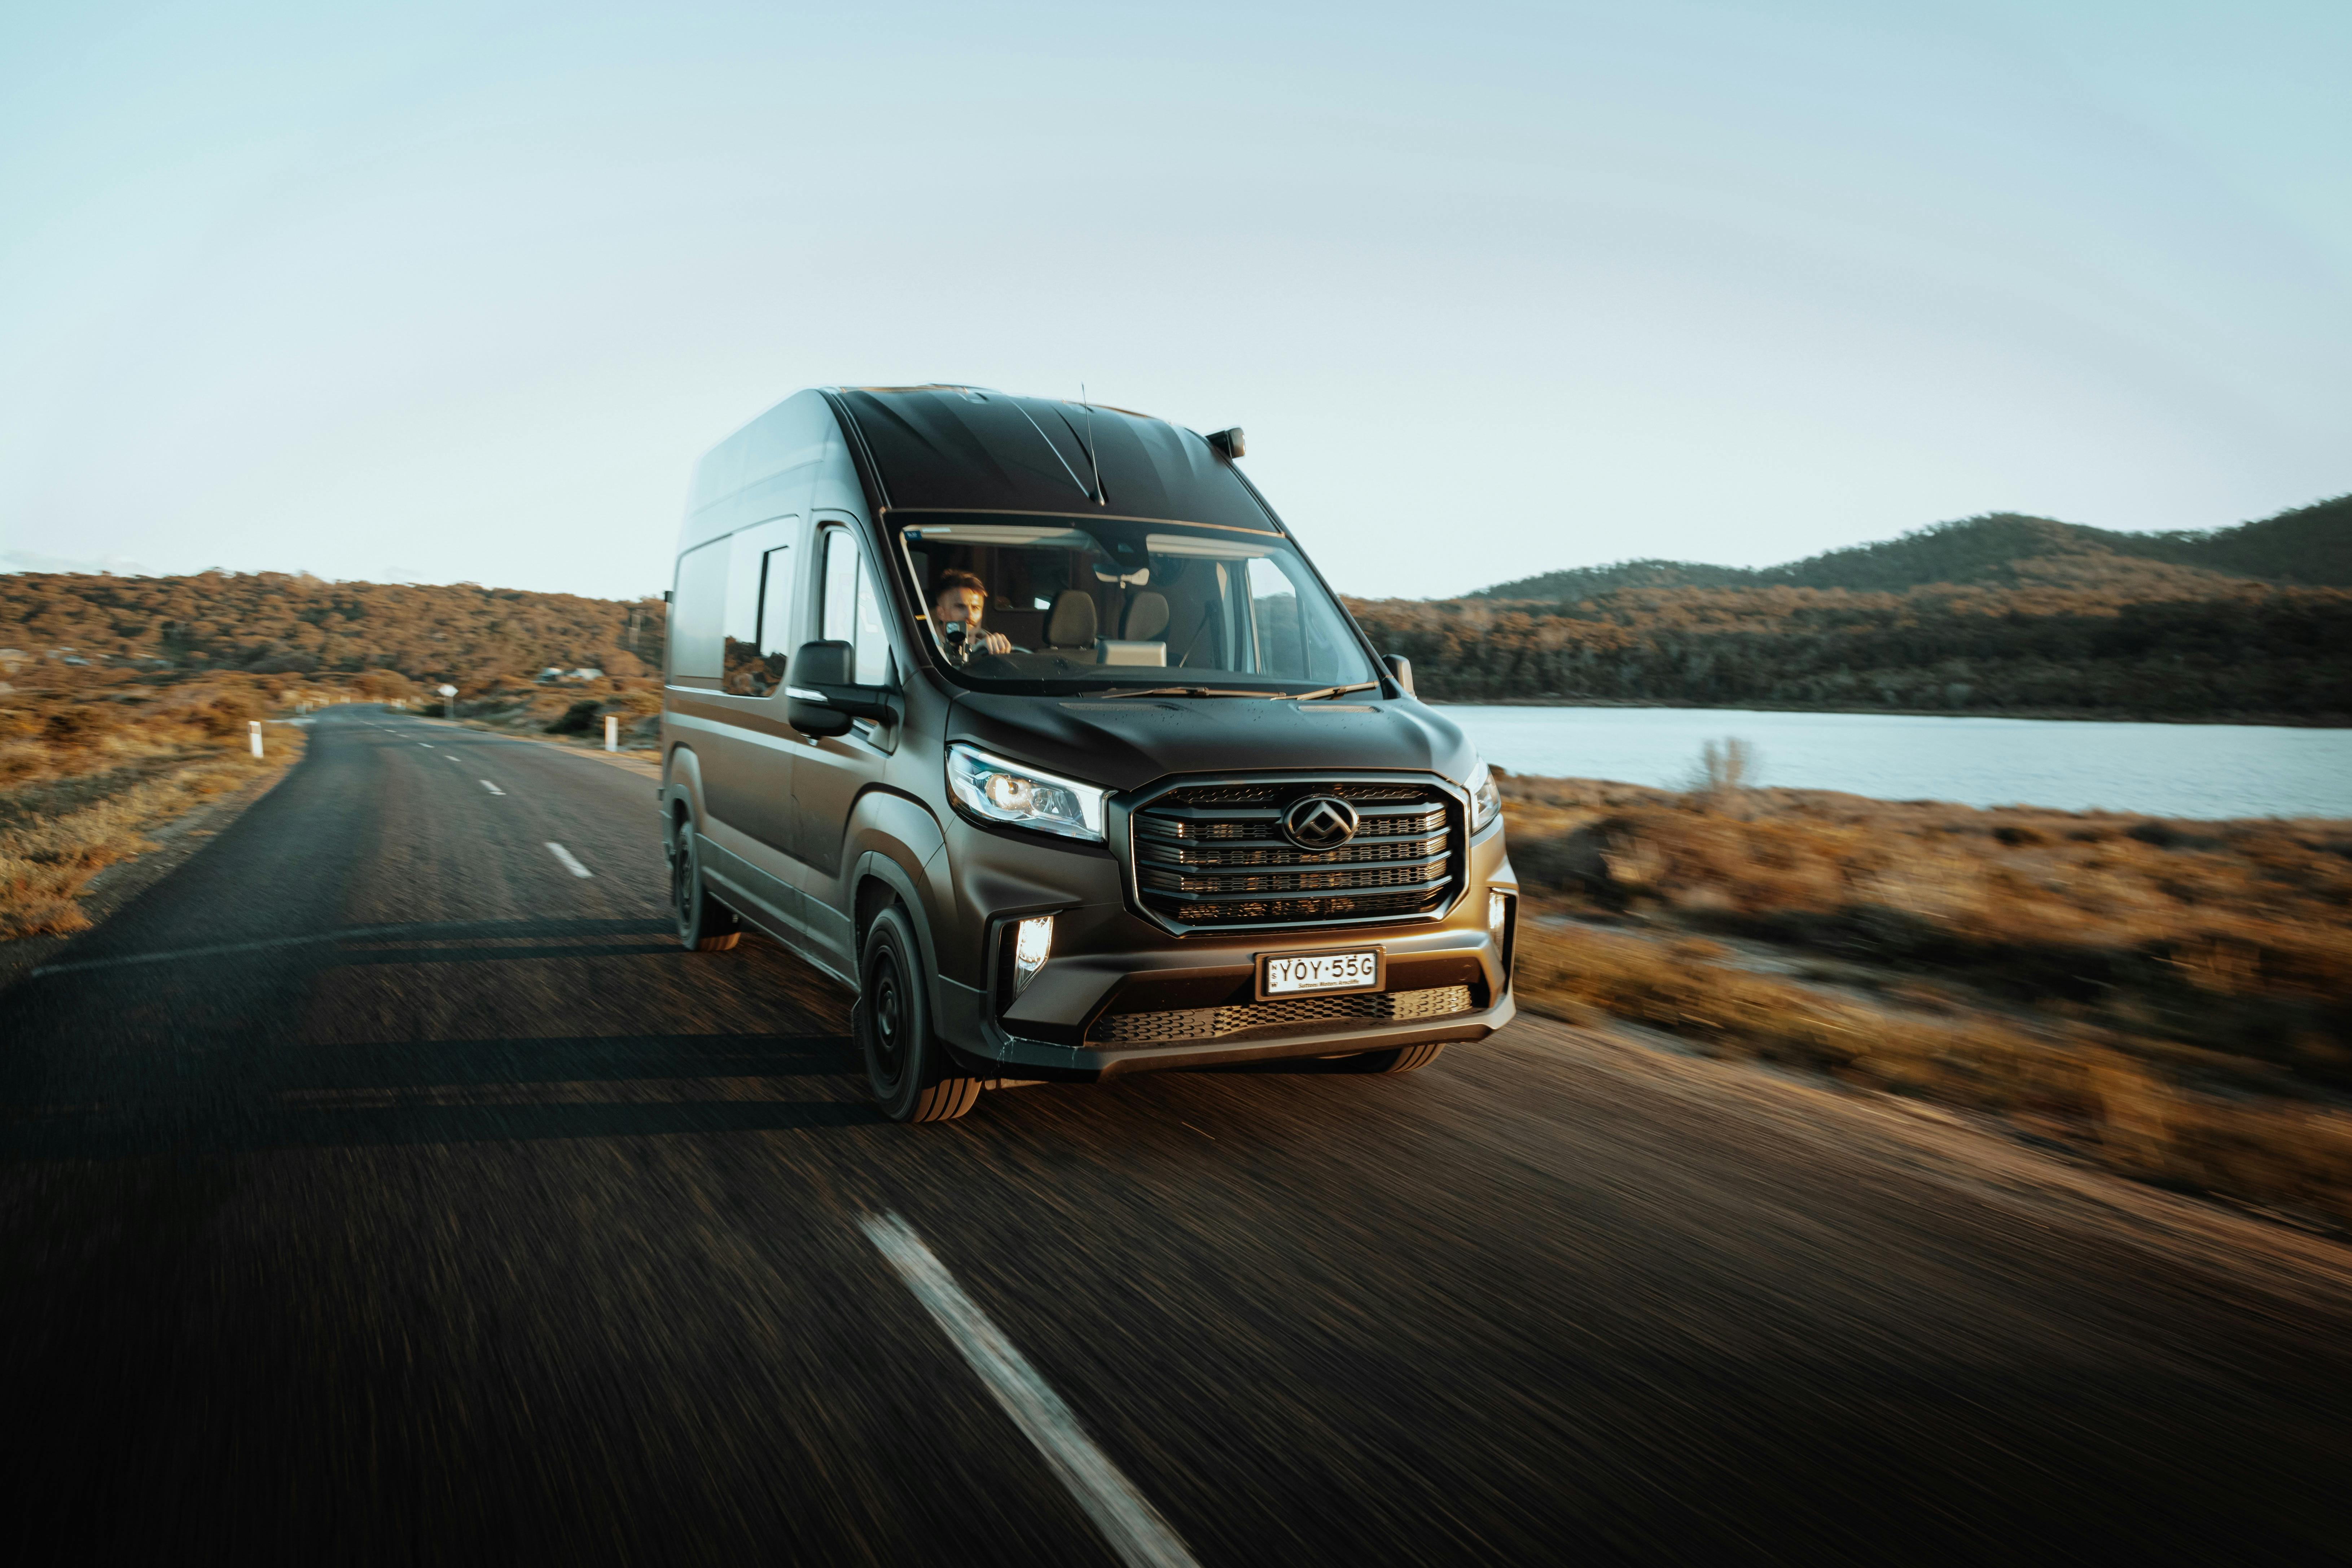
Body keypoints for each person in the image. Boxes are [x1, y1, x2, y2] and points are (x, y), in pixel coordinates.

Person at [931, 568, 1012, 656]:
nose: (970, 615)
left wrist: (1000, 650)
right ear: (941, 613)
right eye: (960, 607)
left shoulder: (996, 649)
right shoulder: (926, 651)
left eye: (975, 608)